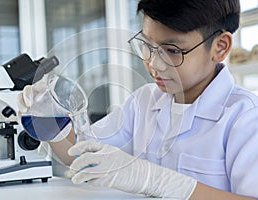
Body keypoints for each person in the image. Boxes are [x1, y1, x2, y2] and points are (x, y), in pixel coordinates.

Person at [17, 0, 258, 199]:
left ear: (220, 46)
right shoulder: (143, 102)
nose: (153, 64)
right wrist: (45, 117)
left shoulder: (246, 117)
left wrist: (159, 182)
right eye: (147, 45)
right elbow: (81, 155)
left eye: (172, 51)